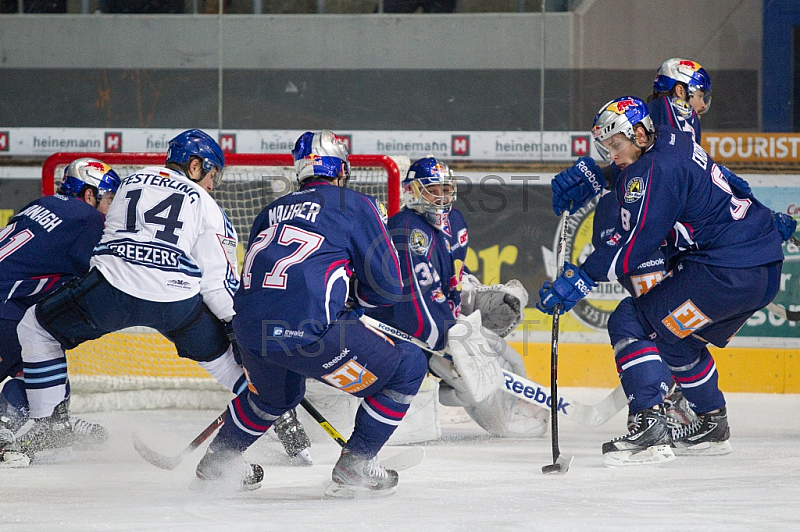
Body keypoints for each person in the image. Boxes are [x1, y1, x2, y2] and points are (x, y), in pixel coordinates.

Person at [538, 97, 784, 466]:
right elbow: (662, 173)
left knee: (632, 321)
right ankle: (711, 425)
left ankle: (650, 429)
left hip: (725, 271)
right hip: (760, 270)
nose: (612, 155)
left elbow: (634, 244)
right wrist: (601, 176)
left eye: (616, 146)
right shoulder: (670, 137)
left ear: (638, 133)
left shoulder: (650, 172)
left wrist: (580, 280)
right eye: (606, 149)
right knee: (677, 340)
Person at [194, 130, 427, 497]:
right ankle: (357, 461)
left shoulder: (270, 210)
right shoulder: (354, 203)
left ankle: (219, 461)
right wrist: (354, 304)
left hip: (251, 334)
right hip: (308, 333)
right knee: (409, 366)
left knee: (271, 399)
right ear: (341, 170)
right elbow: (388, 288)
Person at [8, 130, 251, 465]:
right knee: (225, 363)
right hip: (176, 304)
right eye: (212, 175)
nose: (211, 184)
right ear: (195, 166)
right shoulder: (208, 205)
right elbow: (216, 285)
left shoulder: (129, 182)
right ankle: (273, 411)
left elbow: (108, 239)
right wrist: (238, 330)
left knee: (37, 327)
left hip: (112, 292)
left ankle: (48, 426)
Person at [366, 156, 547, 437]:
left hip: (437, 319)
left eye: (445, 189)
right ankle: (501, 414)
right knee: (466, 369)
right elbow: (415, 298)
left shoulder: (455, 222)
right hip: (405, 330)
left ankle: (514, 402)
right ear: (413, 190)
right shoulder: (406, 230)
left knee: (500, 353)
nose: (440, 197)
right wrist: (447, 337)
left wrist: (470, 291)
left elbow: (452, 275)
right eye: (431, 190)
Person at [0, 158, 120, 467]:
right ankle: (13, 422)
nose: (111, 208)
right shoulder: (89, 220)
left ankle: (58, 422)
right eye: (108, 199)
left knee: (43, 346)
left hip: (9, 305)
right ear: (90, 194)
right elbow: (103, 274)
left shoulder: (40, 204)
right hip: (5, 311)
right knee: (44, 352)